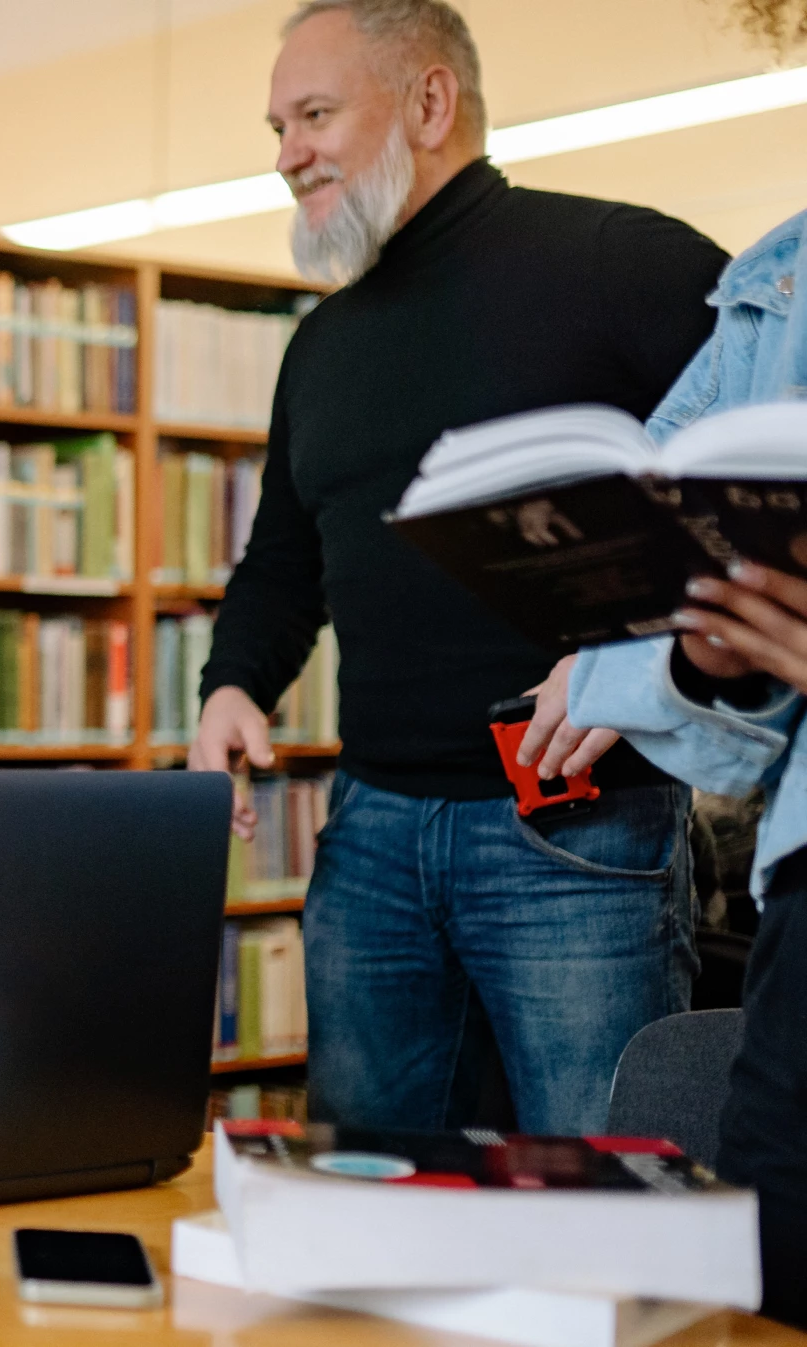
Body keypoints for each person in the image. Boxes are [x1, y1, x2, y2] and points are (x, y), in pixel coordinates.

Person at [185, 0, 729, 1137]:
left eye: (315, 114)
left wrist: (644, 661)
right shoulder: (322, 342)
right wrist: (231, 683)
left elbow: (765, 499)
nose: (285, 155)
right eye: (275, 126)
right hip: (371, 835)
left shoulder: (624, 263)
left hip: (578, 832)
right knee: (365, 1202)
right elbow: (284, 560)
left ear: (430, 102)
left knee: (603, 1210)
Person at [527, 196, 807, 1317]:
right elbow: (732, 734)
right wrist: (703, 656)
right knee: (768, 1290)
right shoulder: (774, 281)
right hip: (801, 888)